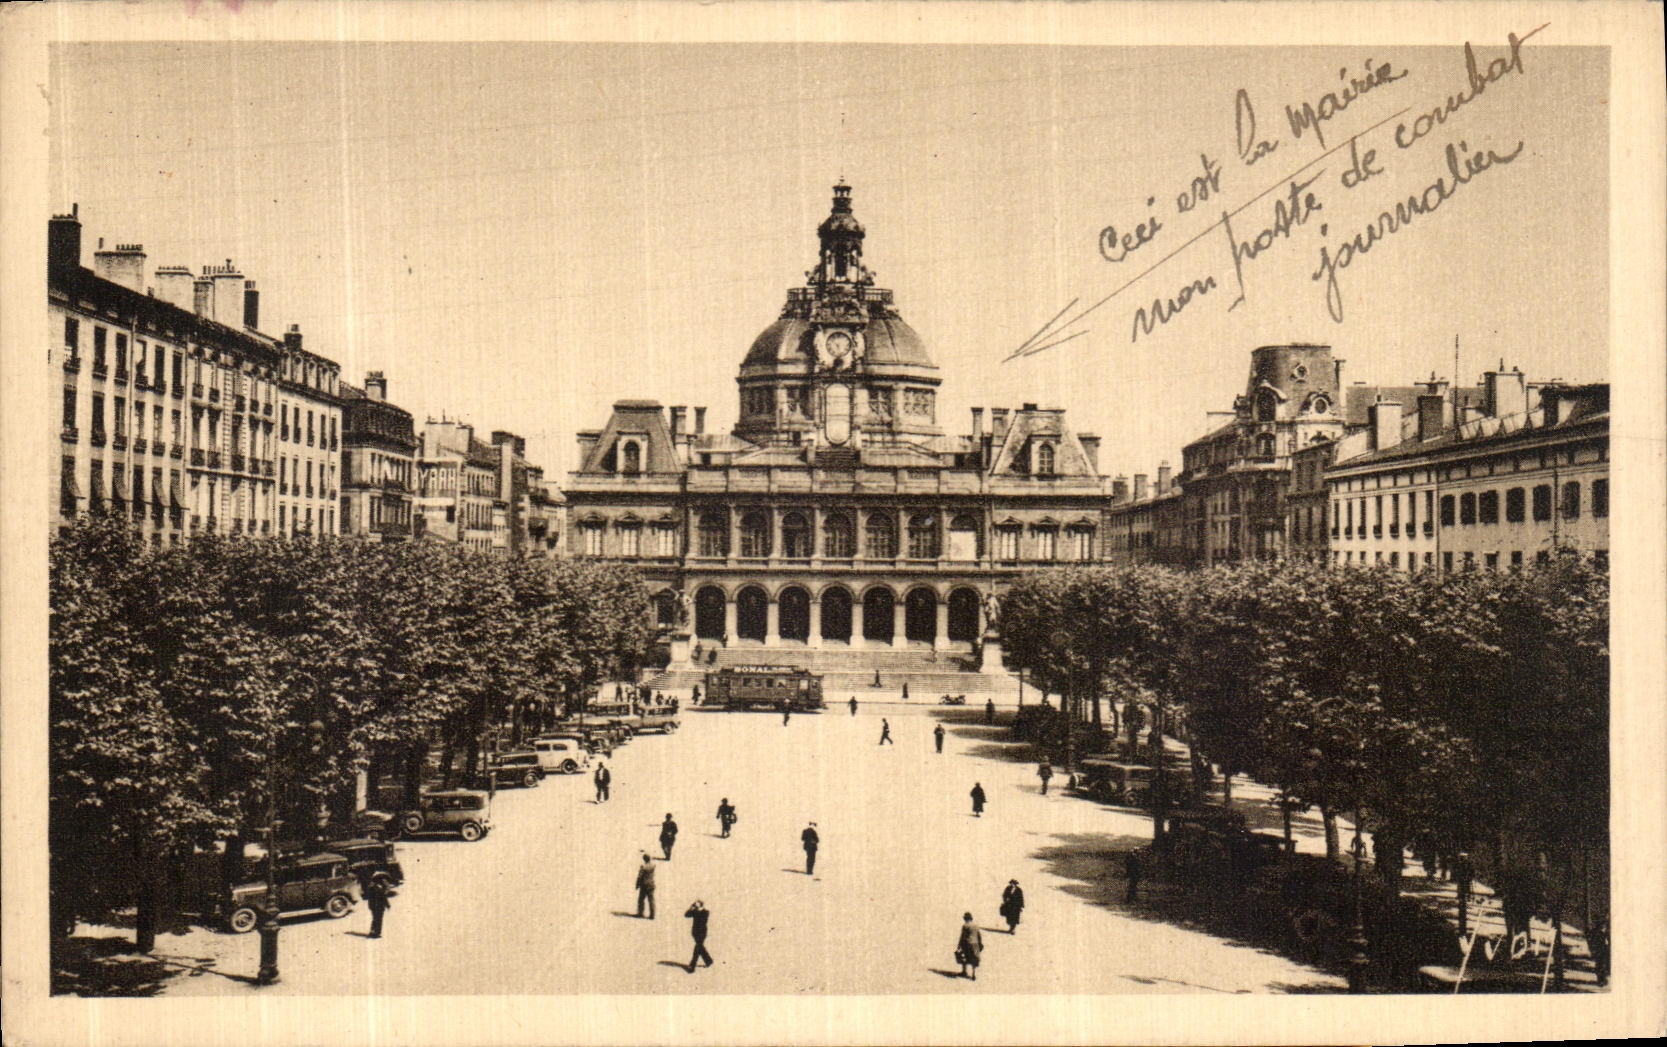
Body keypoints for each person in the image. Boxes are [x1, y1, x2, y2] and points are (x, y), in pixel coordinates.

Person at [685, 900, 714, 972]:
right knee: (700, 948)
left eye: (696, 905)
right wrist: (691, 908)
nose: (695, 906)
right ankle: (708, 961)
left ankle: (692, 966)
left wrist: (695, 911)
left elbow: (702, 921)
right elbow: (686, 915)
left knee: (697, 948)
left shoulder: (705, 912)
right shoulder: (695, 911)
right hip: (695, 933)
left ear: (701, 905)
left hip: (702, 933)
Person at [363, 871, 392, 939]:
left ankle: (372, 931)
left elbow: (369, 898)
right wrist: (388, 905)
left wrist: (370, 906)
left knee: (375, 919)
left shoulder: (371, 887)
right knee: (379, 919)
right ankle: (377, 933)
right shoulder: (379, 888)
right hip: (379, 906)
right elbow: (383, 897)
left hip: (373, 906)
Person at [955, 912, 983, 980]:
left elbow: (962, 936)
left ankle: (964, 971)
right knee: (974, 958)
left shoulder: (965, 925)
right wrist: (980, 943)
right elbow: (979, 936)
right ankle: (973, 974)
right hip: (975, 944)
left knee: (964, 957)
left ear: (965, 918)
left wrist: (959, 945)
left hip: (967, 944)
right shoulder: (976, 926)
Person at [635, 853, 656, 918]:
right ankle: (652, 915)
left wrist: (637, 885)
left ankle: (640, 913)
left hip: (644, 885)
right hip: (651, 884)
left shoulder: (643, 867)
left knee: (641, 900)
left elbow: (639, 877)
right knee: (651, 900)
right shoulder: (653, 866)